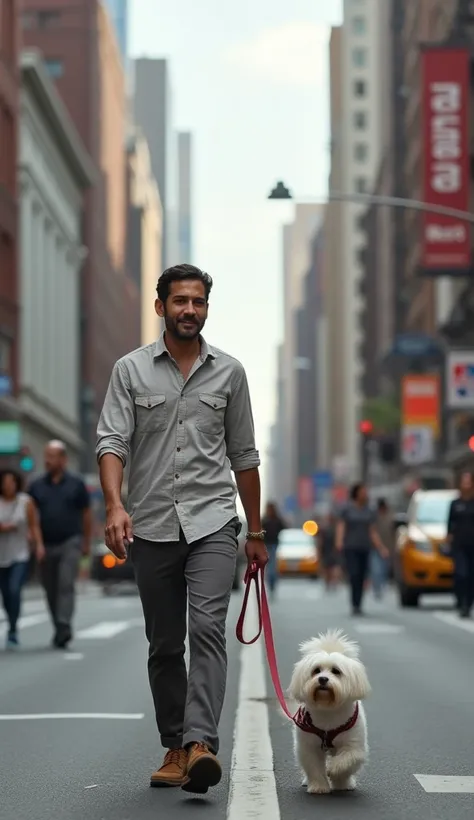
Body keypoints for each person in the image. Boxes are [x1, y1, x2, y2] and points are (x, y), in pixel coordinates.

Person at [96, 263, 267, 795]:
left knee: (208, 630)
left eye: (197, 302)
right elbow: (111, 442)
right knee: (165, 643)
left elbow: (244, 456)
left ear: (207, 308)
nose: (188, 310)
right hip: (149, 524)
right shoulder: (130, 370)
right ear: (161, 308)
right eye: (179, 302)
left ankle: (200, 744)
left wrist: (255, 533)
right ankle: (174, 745)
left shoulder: (230, 373)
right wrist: (114, 506)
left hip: (213, 521)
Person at [28, 441, 92, 649]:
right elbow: (32, 517)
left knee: (65, 584)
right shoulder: (36, 485)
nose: (47, 460)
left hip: (70, 541)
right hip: (45, 544)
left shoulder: (76, 484)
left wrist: (86, 542)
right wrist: (36, 543)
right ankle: (59, 626)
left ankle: (64, 625)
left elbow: (87, 514)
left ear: (63, 459)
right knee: (50, 588)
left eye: (52, 456)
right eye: (46, 455)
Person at [0, 469, 44, 649]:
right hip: (1, 556)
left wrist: (39, 545)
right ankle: (11, 622)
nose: (8, 485)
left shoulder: (26, 502)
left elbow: (34, 526)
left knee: (14, 589)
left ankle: (12, 628)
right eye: (4, 482)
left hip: (20, 555)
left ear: (17, 483)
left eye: (11, 482)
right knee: (5, 595)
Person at [335, 482, 389, 616]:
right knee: (354, 574)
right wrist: (339, 542)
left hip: (365, 547)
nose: (365, 494)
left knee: (362, 576)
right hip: (351, 547)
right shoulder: (347, 509)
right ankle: (354, 603)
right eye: (362, 491)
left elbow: (373, 532)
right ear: (356, 493)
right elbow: (341, 526)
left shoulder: (369, 511)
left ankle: (359, 604)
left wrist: (381, 548)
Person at [447, 471, 474, 618]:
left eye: (468, 481)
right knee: (461, 573)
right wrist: (449, 538)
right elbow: (450, 524)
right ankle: (460, 600)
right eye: (464, 481)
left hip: (472, 545)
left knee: (471, 575)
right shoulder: (455, 504)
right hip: (459, 545)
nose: (466, 484)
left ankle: (468, 603)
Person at [371, 498, 394, 599]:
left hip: (389, 548)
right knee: (377, 569)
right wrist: (380, 547)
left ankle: (383, 586)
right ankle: (377, 588)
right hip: (377, 548)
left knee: (385, 569)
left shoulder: (390, 517)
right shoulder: (375, 518)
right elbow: (373, 532)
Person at [262, 501, 286, 597]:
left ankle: (272, 584)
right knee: (270, 566)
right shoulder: (266, 520)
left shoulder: (276, 519)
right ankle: (271, 584)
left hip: (274, 544)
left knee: (272, 566)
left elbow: (283, 527)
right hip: (267, 545)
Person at [319, 511, 341, 591]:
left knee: (331, 568)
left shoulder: (333, 529)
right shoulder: (329, 529)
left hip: (331, 550)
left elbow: (321, 541)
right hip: (330, 550)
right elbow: (321, 541)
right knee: (331, 568)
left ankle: (331, 582)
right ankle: (331, 582)